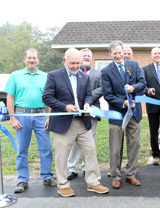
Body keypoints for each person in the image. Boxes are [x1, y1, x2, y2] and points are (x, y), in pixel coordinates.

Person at [42, 48, 109, 197]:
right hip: (63, 123)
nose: (75, 66)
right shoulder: (53, 76)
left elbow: (89, 96)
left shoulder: (84, 77)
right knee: (62, 155)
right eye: (72, 63)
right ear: (65, 61)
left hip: (82, 122)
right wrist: (65, 107)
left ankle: (93, 183)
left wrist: (86, 105)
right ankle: (63, 184)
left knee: (91, 150)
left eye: (78, 63)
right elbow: (46, 97)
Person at [4, 48, 56, 193]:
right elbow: (10, 98)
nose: (32, 60)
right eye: (29, 58)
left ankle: (47, 176)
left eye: (34, 58)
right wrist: (12, 117)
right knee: (22, 149)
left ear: (38, 60)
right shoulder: (15, 76)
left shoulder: (46, 76)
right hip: (22, 115)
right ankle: (22, 180)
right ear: (25, 60)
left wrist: (48, 116)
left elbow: (50, 98)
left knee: (46, 148)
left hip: (41, 115)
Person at [101, 40, 146, 189]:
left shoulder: (133, 65)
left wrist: (133, 88)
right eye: (115, 53)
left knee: (134, 144)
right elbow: (108, 95)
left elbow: (142, 83)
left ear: (123, 51)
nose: (118, 55)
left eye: (120, 52)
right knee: (115, 147)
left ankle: (131, 174)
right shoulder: (106, 71)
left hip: (134, 112)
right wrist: (123, 102)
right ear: (110, 54)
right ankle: (116, 176)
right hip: (116, 113)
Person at [67, 48, 103, 180]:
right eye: (84, 56)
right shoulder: (71, 72)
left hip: (91, 110)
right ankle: (72, 168)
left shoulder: (98, 73)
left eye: (89, 56)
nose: (86, 58)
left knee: (90, 140)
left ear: (91, 58)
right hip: (75, 111)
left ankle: (87, 167)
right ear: (80, 58)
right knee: (74, 140)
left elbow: (102, 88)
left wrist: (88, 98)